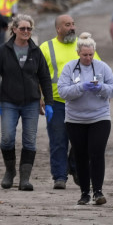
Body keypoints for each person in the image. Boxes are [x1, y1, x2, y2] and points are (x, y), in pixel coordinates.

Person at [0, 14, 53, 191]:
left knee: (30, 141)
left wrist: (49, 102)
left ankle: (25, 179)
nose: (26, 32)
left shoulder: (36, 51)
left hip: (31, 103)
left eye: (29, 29)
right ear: (14, 29)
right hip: (8, 101)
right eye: (23, 28)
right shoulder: (3, 50)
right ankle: (10, 172)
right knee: (7, 138)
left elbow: (45, 78)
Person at [57, 35, 113, 206]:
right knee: (81, 155)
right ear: (78, 53)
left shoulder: (102, 67)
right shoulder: (70, 68)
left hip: (99, 117)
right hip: (75, 119)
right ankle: (84, 192)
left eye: (91, 55)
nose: (88, 58)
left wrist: (101, 88)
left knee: (97, 152)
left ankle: (98, 191)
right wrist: (81, 87)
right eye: (85, 55)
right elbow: (62, 91)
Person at [39, 15, 79, 189]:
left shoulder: (82, 45)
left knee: (80, 140)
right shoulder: (46, 48)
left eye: (73, 24)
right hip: (55, 102)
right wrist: (40, 97)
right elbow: (37, 75)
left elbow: (97, 67)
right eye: (67, 25)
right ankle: (59, 176)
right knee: (58, 140)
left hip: (79, 102)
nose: (72, 27)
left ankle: (75, 167)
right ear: (58, 29)